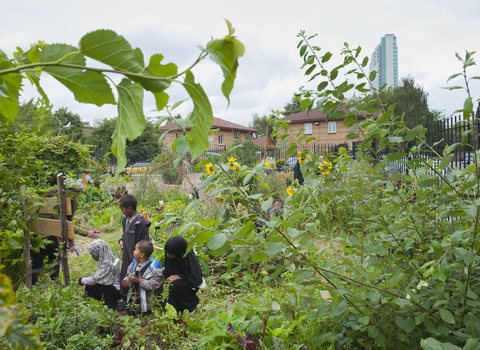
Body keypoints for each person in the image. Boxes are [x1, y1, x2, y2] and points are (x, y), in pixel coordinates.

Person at [31, 182, 100, 285]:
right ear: (66, 191)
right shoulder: (55, 202)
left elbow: (69, 221)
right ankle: (36, 284)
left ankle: (53, 283)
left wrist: (71, 239)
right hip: (44, 235)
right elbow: (63, 224)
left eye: (78, 192)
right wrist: (86, 233)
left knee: (54, 256)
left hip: (53, 234)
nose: (76, 195)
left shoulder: (72, 202)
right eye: (74, 192)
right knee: (42, 258)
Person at [117, 194, 151, 311]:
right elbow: (124, 234)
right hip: (127, 254)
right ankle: (125, 299)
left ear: (129, 208)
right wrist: (121, 240)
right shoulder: (125, 220)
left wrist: (141, 256)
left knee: (135, 276)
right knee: (124, 276)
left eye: (122, 209)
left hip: (137, 257)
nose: (122, 212)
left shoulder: (141, 223)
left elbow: (145, 242)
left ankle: (135, 302)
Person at [164, 236, 203, 314]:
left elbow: (194, 280)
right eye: (167, 252)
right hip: (177, 283)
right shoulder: (169, 255)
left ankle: (192, 304)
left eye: (170, 253)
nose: (167, 255)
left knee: (175, 286)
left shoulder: (189, 258)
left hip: (189, 285)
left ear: (178, 251)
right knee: (173, 287)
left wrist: (180, 276)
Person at [121, 241, 163, 315]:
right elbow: (128, 275)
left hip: (147, 300)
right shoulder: (133, 264)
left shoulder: (153, 268)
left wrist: (140, 282)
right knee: (131, 312)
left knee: (145, 314)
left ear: (142, 255)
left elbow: (154, 285)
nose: (133, 252)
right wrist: (127, 283)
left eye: (135, 250)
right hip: (134, 297)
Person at [78, 239, 121, 309]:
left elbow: (94, 279)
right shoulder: (110, 257)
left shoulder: (107, 262)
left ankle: (110, 303)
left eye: (93, 255)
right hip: (116, 288)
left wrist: (81, 280)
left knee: (91, 286)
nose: (93, 257)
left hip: (115, 290)